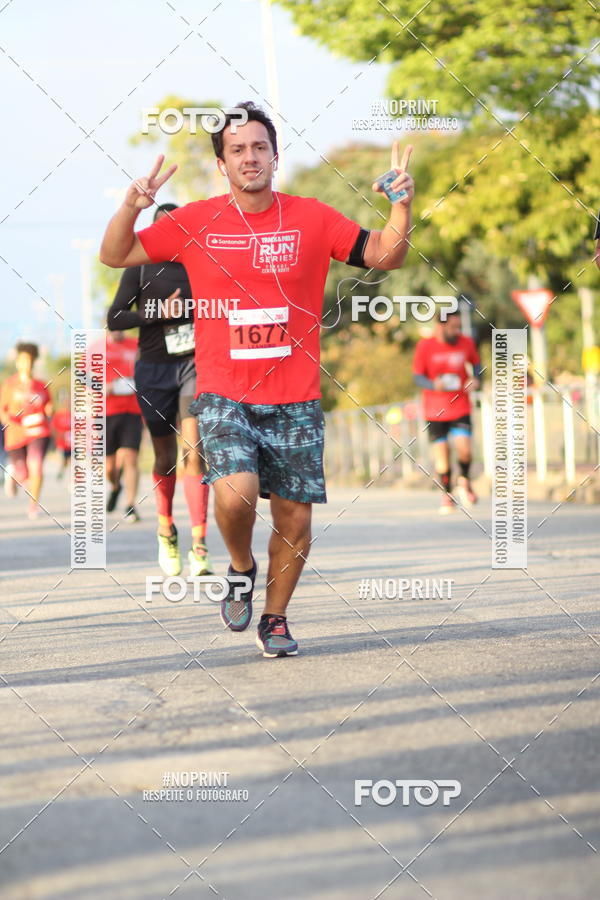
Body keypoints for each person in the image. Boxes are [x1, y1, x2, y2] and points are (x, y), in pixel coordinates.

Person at [100, 101, 413, 657]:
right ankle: (241, 566)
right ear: (222, 164)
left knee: (294, 516)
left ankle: (274, 617)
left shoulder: (313, 217)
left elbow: (385, 255)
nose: (250, 158)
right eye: (237, 150)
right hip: (223, 391)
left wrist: (401, 206)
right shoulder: (195, 221)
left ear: (275, 155)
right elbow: (115, 253)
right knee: (237, 493)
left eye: (259, 148)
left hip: (296, 395)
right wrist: (131, 205)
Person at [107, 204, 212, 577]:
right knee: (165, 455)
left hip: (193, 367)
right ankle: (166, 527)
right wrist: (156, 314)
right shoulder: (139, 268)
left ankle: (199, 543)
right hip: (153, 370)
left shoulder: (202, 264)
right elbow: (115, 317)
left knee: (194, 450)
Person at [412, 310, 482, 514]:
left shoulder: (466, 342)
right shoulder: (425, 346)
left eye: (459, 326)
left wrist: (475, 378)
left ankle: (465, 481)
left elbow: (476, 364)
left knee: (465, 449)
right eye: (453, 327)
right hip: (435, 410)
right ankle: (447, 494)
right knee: (442, 455)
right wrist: (434, 384)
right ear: (440, 326)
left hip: (460, 405)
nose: (457, 331)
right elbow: (417, 377)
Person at [0, 342, 52, 518]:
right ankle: (14, 475)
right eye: (23, 361)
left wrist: (48, 410)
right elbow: (2, 410)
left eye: (29, 361)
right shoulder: (9, 384)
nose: (26, 364)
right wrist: (11, 420)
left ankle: (33, 505)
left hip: (38, 432)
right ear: (17, 362)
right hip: (16, 434)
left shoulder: (41, 385)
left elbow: (48, 406)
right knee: (23, 473)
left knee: (36, 465)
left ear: (34, 362)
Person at [103, 330, 143, 523]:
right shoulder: (97, 348)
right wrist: (103, 386)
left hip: (133, 411)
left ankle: (130, 504)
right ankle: (115, 486)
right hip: (107, 412)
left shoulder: (136, 344)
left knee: (130, 457)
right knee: (109, 467)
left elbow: (147, 369)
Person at [51, 389, 72, 480]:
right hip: (62, 443)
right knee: (64, 460)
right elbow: (53, 428)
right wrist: (58, 438)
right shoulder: (59, 414)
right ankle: (61, 470)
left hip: (73, 442)